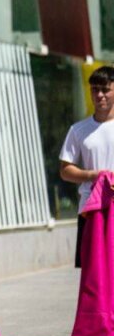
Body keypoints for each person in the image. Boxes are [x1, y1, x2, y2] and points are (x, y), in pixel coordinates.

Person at [60, 65, 114, 267]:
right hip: (90, 209)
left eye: (105, 89)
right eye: (95, 90)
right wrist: (93, 175)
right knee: (94, 270)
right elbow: (66, 171)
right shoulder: (78, 130)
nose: (100, 95)